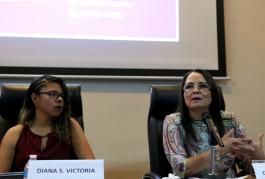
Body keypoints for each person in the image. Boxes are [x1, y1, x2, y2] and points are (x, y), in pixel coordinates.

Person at [163, 69, 265, 178]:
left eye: (202, 86)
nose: (195, 90)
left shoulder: (230, 122)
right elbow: (179, 170)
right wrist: (218, 151)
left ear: (213, 93)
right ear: (183, 96)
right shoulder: (173, 122)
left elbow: (257, 173)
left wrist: (259, 156)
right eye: (189, 86)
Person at [0, 75, 95, 172]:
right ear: (34, 98)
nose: (60, 99)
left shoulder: (70, 126)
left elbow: (91, 169)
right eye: (52, 94)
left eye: (61, 96)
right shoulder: (14, 134)